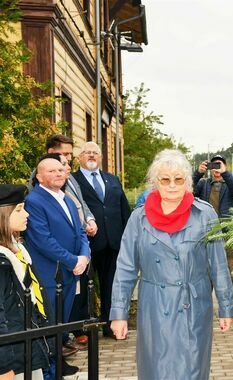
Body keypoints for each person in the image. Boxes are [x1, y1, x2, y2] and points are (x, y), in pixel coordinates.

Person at [109, 149, 233, 380]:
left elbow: (218, 265)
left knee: (193, 370)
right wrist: (119, 313)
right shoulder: (139, 218)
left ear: (187, 181)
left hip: (194, 306)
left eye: (179, 179)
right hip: (154, 306)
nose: (172, 186)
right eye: (165, 180)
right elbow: (126, 268)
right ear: (155, 182)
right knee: (156, 369)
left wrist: (226, 307)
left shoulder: (205, 215)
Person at [25, 155, 90, 378]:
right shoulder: (34, 201)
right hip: (50, 276)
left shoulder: (67, 199)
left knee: (61, 324)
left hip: (71, 273)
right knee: (50, 325)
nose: (59, 173)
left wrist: (84, 256)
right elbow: (43, 240)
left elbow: (80, 232)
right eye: (51, 171)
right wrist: (74, 260)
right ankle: (49, 371)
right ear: (40, 177)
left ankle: (57, 366)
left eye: (61, 170)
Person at [72, 141, 131, 337]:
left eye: (95, 153)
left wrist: (128, 237)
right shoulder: (72, 181)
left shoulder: (112, 179)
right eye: (87, 152)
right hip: (86, 244)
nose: (91, 156)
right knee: (85, 287)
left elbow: (124, 210)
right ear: (79, 157)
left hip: (113, 242)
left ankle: (109, 325)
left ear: (101, 157)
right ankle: (84, 330)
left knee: (112, 286)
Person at [0, 184, 51, 380]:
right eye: (19, 210)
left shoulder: (19, 250)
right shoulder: (3, 261)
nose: (26, 214)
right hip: (12, 358)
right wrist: (3, 367)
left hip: (27, 349)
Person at [192, 154, 233, 315]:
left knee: (230, 267)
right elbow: (188, 190)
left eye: (219, 165)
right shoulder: (203, 184)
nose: (216, 168)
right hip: (205, 231)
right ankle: (204, 303)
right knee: (204, 268)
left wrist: (225, 173)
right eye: (213, 165)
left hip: (227, 231)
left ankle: (232, 303)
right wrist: (198, 173)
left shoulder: (230, 184)